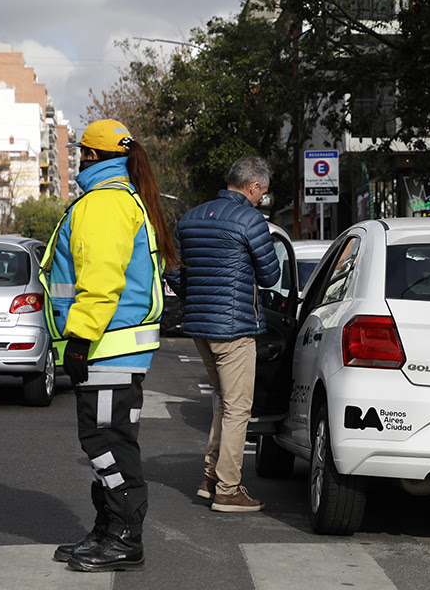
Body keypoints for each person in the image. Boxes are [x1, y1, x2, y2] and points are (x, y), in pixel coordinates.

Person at [41, 119, 179, 572]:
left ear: (90, 157)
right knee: (110, 439)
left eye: (80, 152)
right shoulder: (119, 198)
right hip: (116, 346)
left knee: (105, 440)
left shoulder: (103, 203)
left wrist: (79, 339)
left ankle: (124, 536)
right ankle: (108, 528)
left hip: (106, 345)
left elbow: (100, 280)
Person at [173, 156, 281, 512]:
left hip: (200, 327)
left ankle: (211, 479)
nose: (261, 199)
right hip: (234, 328)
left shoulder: (190, 217)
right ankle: (228, 489)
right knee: (238, 409)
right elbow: (270, 276)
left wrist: (198, 299)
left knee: (223, 402)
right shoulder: (250, 220)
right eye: (262, 193)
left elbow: (173, 273)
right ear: (252, 187)